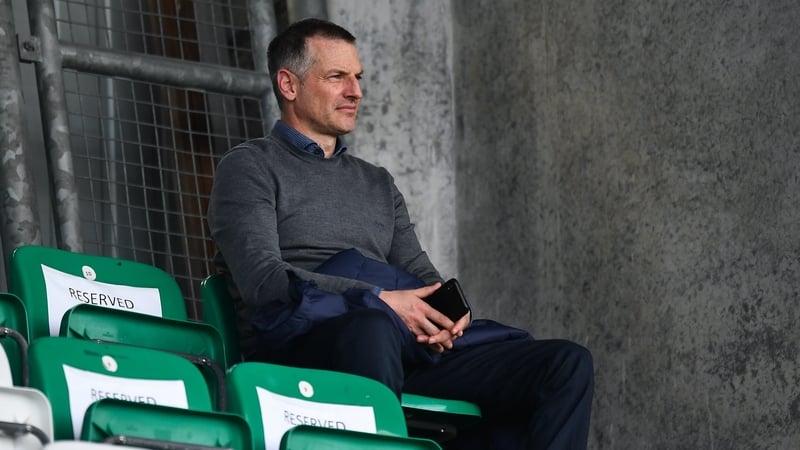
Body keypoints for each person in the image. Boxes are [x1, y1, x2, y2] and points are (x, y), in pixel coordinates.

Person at [207, 18, 593, 449]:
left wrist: (448, 315)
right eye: (337, 77)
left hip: (398, 344)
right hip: (304, 344)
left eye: (358, 77)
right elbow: (263, 280)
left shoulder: (377, 182)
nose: (355, 91)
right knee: (372, 327)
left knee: (564, 363)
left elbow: (421, 274)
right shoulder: (249, 166)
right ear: (289, 85)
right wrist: (379, 300)